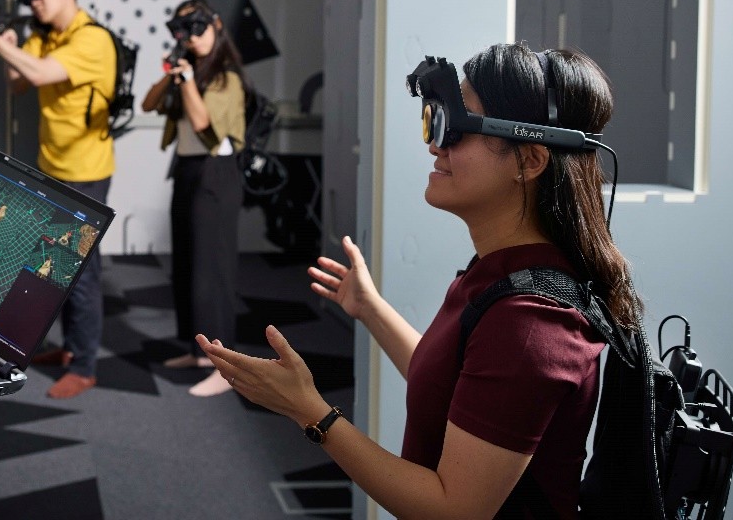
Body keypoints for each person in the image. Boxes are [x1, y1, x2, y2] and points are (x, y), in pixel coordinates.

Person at [199, 43, 640, 520]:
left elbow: (454, 510)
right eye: (435, 122)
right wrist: (370, 308)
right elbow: (452, 384)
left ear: (530, 161)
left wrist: (310, 412)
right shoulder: (503, 274)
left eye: (454, 128)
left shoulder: (531, 321)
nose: (435, 145)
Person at [0, 0, 115, 399]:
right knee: (56, 271)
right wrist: (11, 43)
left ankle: (85, 366)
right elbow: (19, 82)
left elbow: (42, 72)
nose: (34, 3)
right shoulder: (47, 37)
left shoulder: (93, 40)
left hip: (85, 174)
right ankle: (70, 350)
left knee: (81, 274)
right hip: (54, 169)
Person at [141, 0, 246, 397]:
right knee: (186, 265)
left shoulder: (226, 76)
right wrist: (173, 73)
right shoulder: (188, 69)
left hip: (216, 172)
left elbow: (204, 123)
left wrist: (184, 81)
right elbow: (147, 104)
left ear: (216, 25)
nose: (193, 36)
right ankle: (198, 350)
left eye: (198, 26)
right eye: (184, 29)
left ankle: (227, 367)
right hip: (187, 169)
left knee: (212, 272)